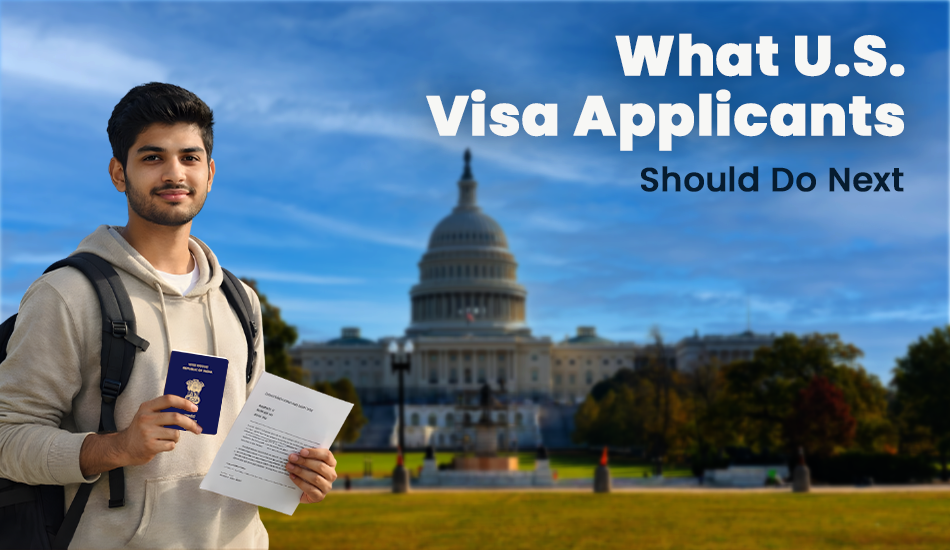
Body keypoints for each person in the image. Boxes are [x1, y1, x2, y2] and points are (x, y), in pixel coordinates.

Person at [0, 82, 337, 548]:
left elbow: (247, 438)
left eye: (190, 157)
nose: (175, 173)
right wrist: (115, 447)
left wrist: (299, 469)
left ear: (210, 172)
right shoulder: (67, 294)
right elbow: (7, 438)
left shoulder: (240, 300)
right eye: (153, 157)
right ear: (119, 173)